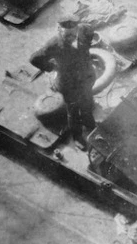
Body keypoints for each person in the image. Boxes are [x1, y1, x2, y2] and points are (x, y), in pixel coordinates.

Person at [29, 17, 96, 149]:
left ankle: (90, 125)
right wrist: (51, 67)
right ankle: (77, 136)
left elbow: (89, 32)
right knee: (73, 112)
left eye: (73, 33)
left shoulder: (84, 30)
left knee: (87, 103)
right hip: (69, 85)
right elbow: (34, 59)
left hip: (86, 78)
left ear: (77, 29)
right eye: (67, 34)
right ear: (59, 30)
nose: (71, 37)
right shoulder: (54, 44)